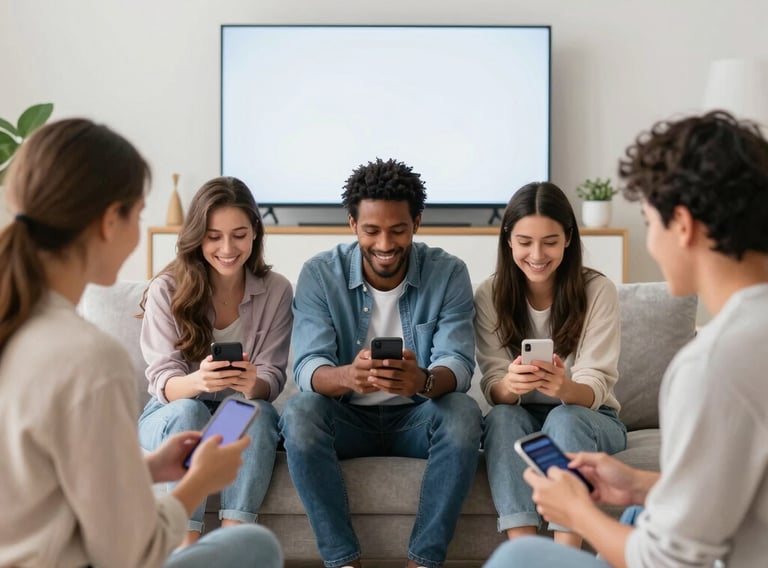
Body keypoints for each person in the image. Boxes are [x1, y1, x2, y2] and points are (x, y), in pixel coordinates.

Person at [482, 109, 768, 568]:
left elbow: (670, 558)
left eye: (649, 223)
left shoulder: (712, 364)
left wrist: (577, 511)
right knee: (634, 512)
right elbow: (735, 495)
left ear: (682, 224)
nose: (651, 244)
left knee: (516, 559)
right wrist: (639, 485)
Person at [0, 118, 282, 567]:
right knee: (259, 548)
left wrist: (148, 470)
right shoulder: (89, 358)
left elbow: (52, 485)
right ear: (112, 221)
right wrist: (197, 481)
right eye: (138, 212)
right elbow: (131, 550)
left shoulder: (18, 328)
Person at [278, 158, 483, 568]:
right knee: (300, 412)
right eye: (372, 230)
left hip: (417, 421)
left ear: (417, 223)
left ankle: (423, 561)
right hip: (346, 421)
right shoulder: (320, 274)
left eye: (398, 230)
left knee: (463, 412)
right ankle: (343, 562)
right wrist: (348, 376)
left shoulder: (448, 272)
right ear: (352, 224)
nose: (385, 244)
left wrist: (422, 382)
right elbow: (307, 367)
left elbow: (457, 363)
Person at [138, 176, 293, 545]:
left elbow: (271, 378)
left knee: (256, 411)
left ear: (255, 232)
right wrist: (200, 382)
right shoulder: (168, 288)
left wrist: (252, 382)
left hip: (231, 412)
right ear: (198, 236)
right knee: (191, 413)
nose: (227, 247)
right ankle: (186, 548)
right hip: (172, 410)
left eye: (239, 234)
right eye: (214, 236)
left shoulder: (276, 290)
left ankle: (230, 547)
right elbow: (164, 381)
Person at [474, 181, 627, 547]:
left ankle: (564, 556)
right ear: (508, 240)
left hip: (592, 418)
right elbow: (494, 385)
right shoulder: (489, 295)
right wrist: (509, 386)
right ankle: (523, 550)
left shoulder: (597, 291)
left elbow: (596, 385)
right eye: (525, 242)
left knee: (565, 416)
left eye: (550, 241)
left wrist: (565, 387)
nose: (537, 254)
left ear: (569, 239)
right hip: (522, 417)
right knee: (501, 417)